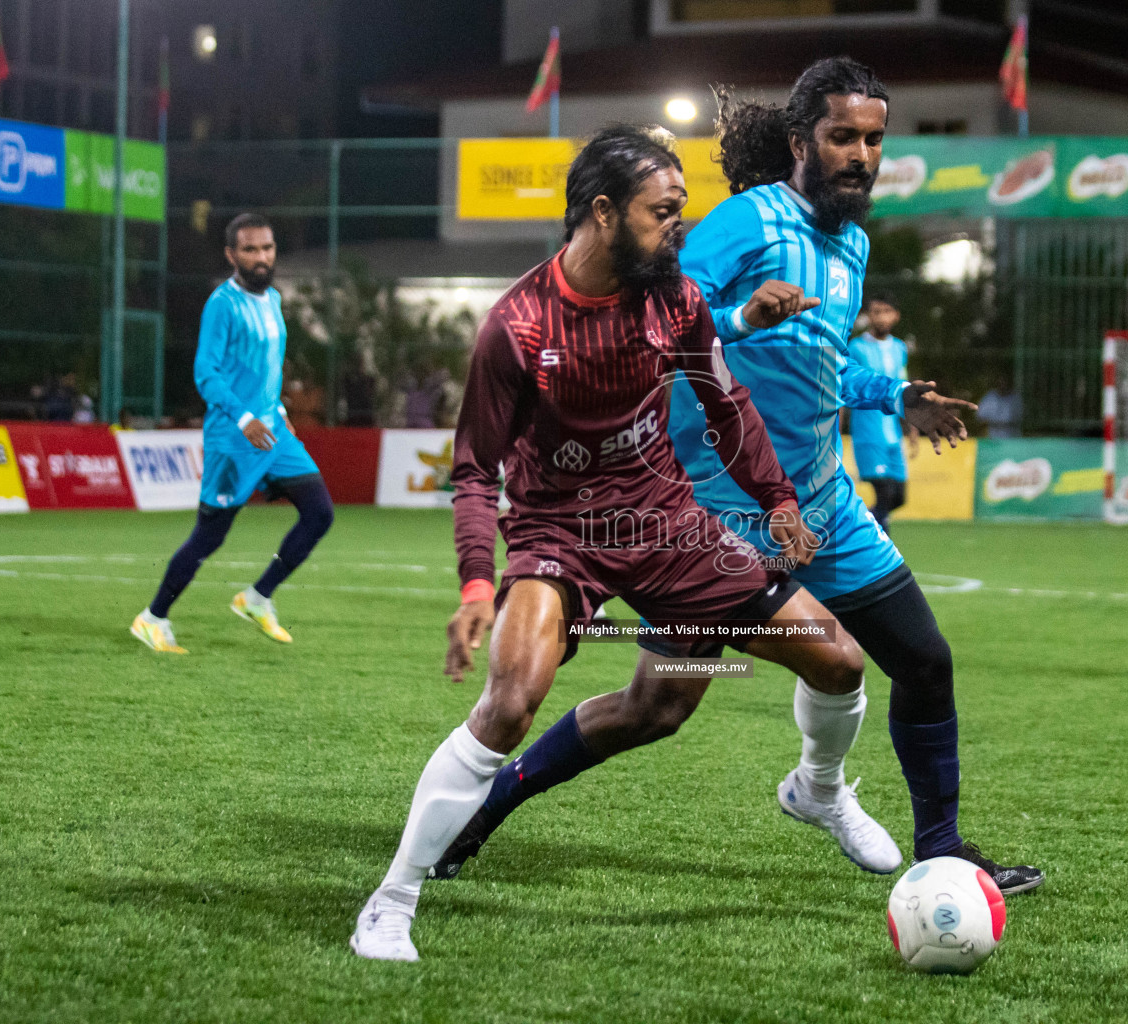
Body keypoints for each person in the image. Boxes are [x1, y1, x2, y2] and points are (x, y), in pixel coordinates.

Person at [428, 58, 1044, 896]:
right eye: (842, 137)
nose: (861, 154)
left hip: (819, 501)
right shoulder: (745, 225)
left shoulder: (853, 243)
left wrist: (893, 393)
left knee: (922, 660)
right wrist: (744, 319)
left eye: (873, 139)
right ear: (801, 141)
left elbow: (820, 367)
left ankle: (927, 842)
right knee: (656, 710)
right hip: (717, 511)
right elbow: (665, 325)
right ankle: (482, 807)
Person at [350, 124, 887, 962]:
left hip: (667, 520)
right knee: (510, 701)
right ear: (602, 213)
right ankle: (391, 901)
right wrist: (475, 586)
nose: (679, 229)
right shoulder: (517, 328)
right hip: (557, 531)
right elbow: (472, 474)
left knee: (838, 662)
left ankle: (817, 791)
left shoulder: (673, 297)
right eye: (662, 213)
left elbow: (726, 403)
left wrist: (776, 500)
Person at [130, 213, 334, 654]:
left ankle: (257, 597)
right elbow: (206, 372)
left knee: (319, 512)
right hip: (233, 440)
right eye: (250, 250)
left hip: (273, 433)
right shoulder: (222, 304)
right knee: (210, 536)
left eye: (267, 248)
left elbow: (266, 368)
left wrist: (276, 408)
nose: (261, 258)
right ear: (231, 255)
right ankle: (152, 618)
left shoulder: (274, 299)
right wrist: (245, 418)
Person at [848, 293, 913, 533]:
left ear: (895, 316)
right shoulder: (857, 347)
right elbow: (846, 387)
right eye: (875, 311)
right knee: (884, 493)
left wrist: (911, 427)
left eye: (886, 311)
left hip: (893, 434)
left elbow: (904, 390)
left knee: (899, 497)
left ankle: (856, 528)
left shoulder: (899, 348)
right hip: (867, 432)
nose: (880, 317)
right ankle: (880, 549)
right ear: (868, 315)